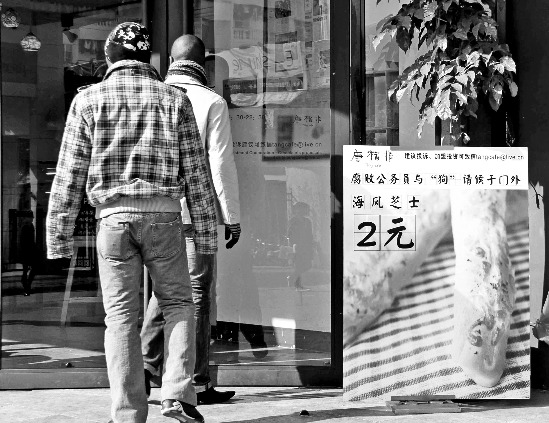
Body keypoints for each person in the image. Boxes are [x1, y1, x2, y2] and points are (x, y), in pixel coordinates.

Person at [46, 22, 216, 423]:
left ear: (108, 58)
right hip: (165, 218)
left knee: (121, 317)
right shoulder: (175, 99)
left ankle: (127, 414)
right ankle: (178, 394)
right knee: (178, 304)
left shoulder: (87, 100)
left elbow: (69, 175)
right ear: (148, 58)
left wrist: (58, 236)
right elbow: (197, 174)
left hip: (113, 219)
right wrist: (206, 234)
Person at [140, 34, 241, 405]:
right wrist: (231, 216)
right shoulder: (211, 101)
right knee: (196, 294)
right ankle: (196, 382)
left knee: (162, 290)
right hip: (192, 214)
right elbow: (220, 164)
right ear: (203, 65)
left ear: (171, 61)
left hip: (152, 211)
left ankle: (145, 367)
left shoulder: (151, 96)